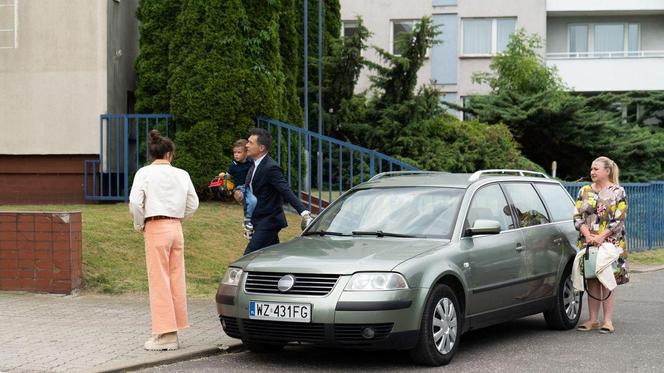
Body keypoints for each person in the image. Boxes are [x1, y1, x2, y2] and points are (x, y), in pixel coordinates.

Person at [129, 129, 199, 351]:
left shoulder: (144, 173)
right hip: (175, 227)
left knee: (159, 281)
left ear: (153, 153)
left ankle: (166, 335)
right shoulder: (182, 174)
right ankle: (173, 329)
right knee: (176, 278)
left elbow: (134, 203)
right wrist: (179, 218)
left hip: (155, 225)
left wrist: (140, 224)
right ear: (169, 154)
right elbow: (193, 203)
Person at [573, 156, 628, 334]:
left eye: (596, 169)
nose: (592, 172)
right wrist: (588, 235)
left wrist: (601, 236)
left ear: (607, 171)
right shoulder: (584, 191)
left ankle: (608, 320)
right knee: (592, 278)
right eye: (591, 169)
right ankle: (592, 320)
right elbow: (577, 216)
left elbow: (619, 219)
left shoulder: (618, 191)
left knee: (607, 278)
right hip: (588, 241)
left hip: (610, 243)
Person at [240, 128, 310, 254]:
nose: (247, 145)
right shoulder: (254, 165)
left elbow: (285, 190)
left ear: (261, 148)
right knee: (271, 258)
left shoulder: (270, 167)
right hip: (259, 221)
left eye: (250, 143)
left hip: (269, 222)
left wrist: (303, 211)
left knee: (249, 257)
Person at [218, 139, 256, 239]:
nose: (236, 155)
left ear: (246, 153)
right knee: (251, 201)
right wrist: (223, 176)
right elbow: (229, 176)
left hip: (250, 187)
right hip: (240, 188)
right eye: (235, 152)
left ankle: (248, 227)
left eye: (239, 152)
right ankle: (247, 220)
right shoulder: (233, 165)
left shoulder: (251, 163)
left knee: (251, 202)